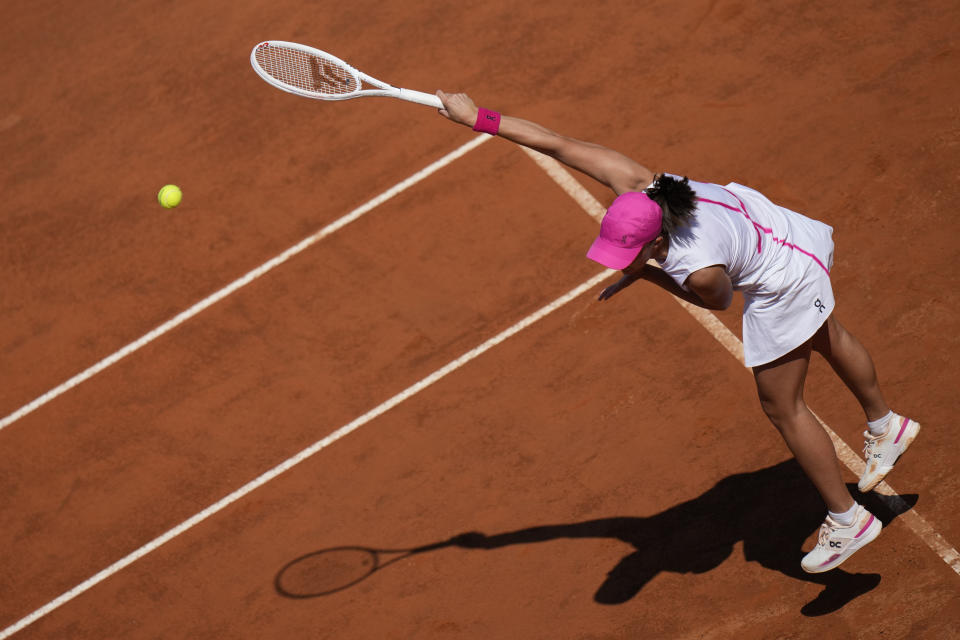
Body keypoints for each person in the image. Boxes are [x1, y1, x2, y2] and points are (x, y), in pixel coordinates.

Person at [435, 90, 921, 573]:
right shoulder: (641, 185)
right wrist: (478, 117)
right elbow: (556, 142)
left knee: (783, 405)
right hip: (789, 233)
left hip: (784, 280)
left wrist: (646, 274)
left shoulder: (700, 268)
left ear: (659, 240)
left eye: (636, 252)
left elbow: (719, 301)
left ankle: (847, 517)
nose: (627, 260)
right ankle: (885, 425)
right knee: (825, 331)